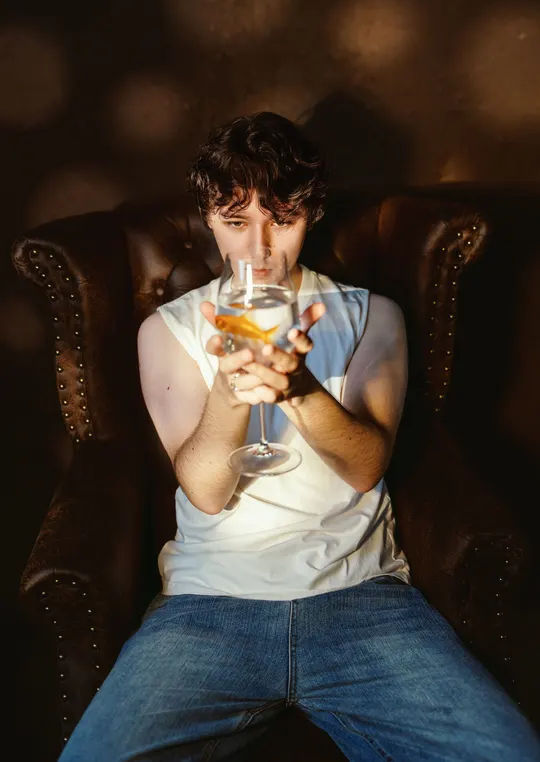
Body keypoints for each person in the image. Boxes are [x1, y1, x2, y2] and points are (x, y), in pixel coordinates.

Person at [60, 113, 540, 761]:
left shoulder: (372, 316)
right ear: (209, 219)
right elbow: (206, 490)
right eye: (236, 222)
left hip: (362, 604)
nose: (258, 250)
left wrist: (298, 389)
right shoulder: (168, 330)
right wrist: (231, 392)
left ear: (311, 214)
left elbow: (366, 466)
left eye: (280, 219)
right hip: (210, 607)